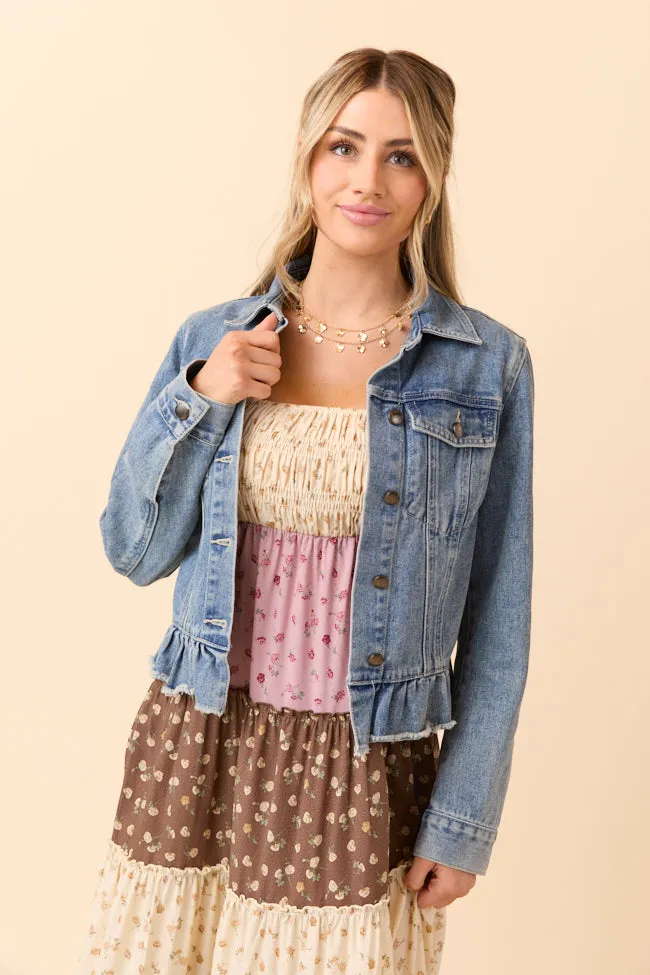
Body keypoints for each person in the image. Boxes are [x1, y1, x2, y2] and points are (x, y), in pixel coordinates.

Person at [76, 47, 534, 975]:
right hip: (203, 742)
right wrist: (200, 396)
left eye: (402, 157)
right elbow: (133, 547)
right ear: (307, 157)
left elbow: (500, 616)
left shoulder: (487, 366)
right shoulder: (215, 338)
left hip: (366, 766)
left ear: (433, 178)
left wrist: (464, 817)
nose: (368, 181)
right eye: (344, 147)